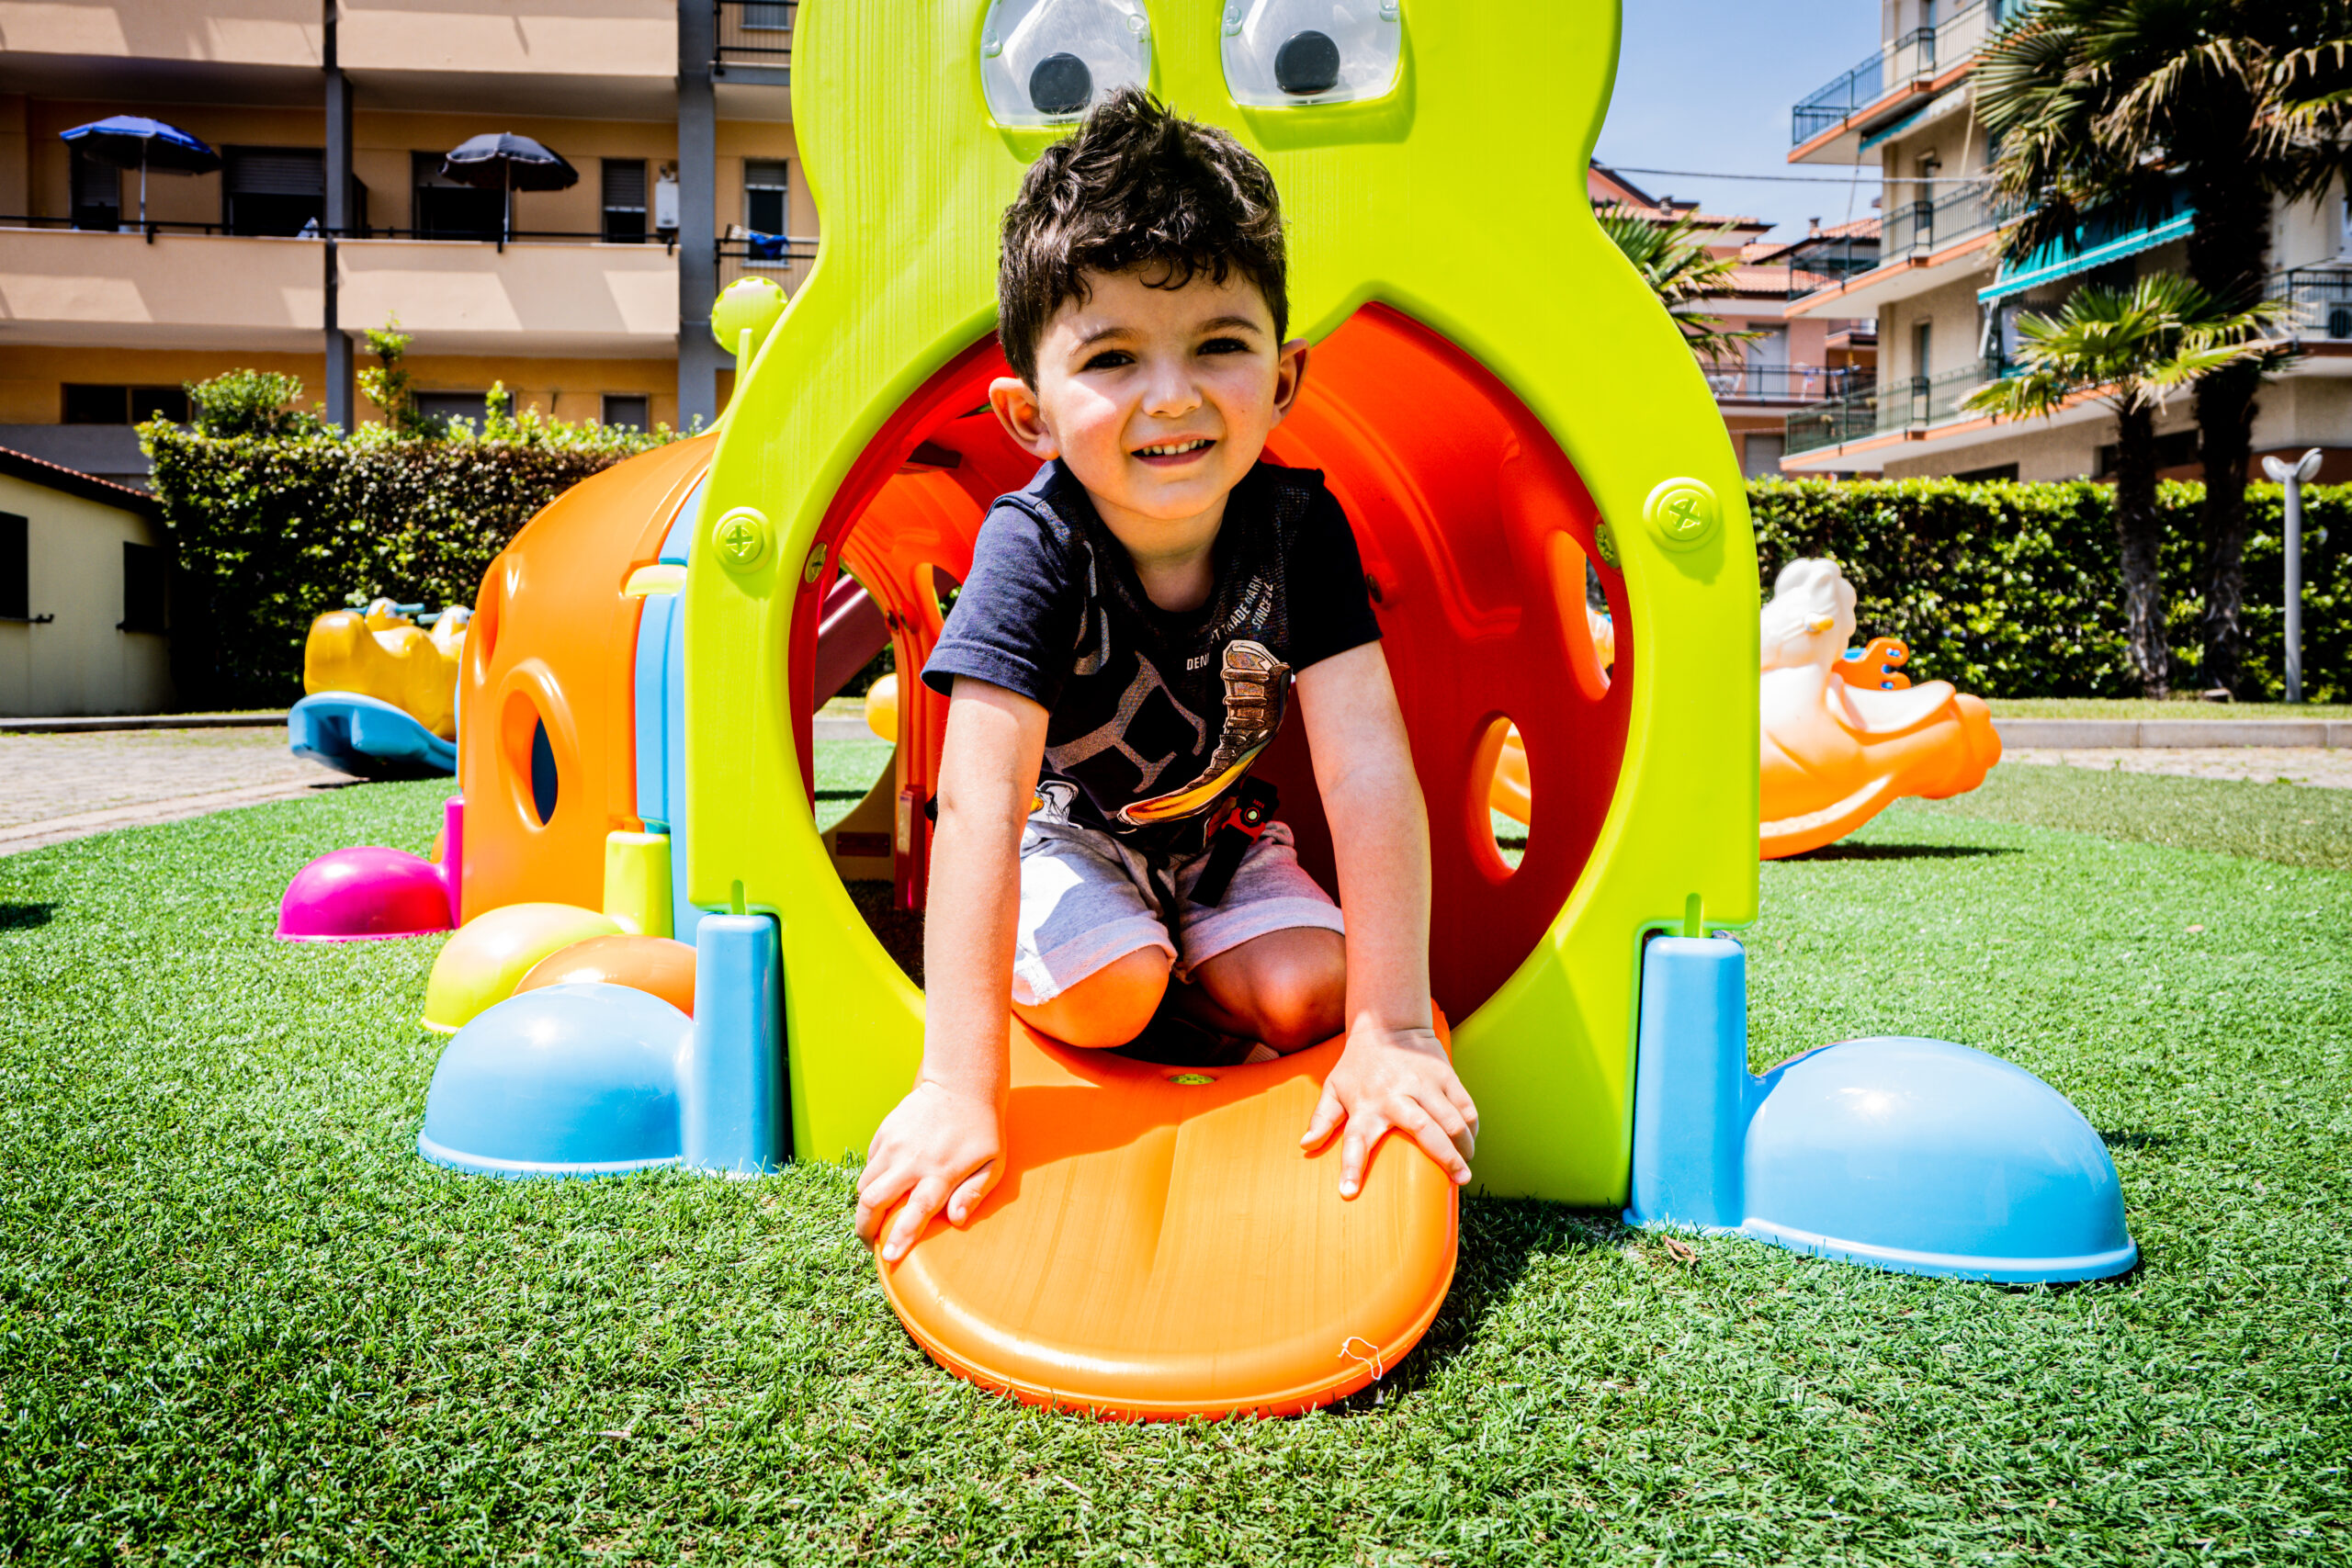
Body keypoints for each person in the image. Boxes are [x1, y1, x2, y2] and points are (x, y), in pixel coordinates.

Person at [853, 88, 1476, 1264]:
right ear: (1028, 413)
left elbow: (1367, 769)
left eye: (1218, 347)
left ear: (1285, 381)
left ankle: (1200, 959)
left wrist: (1392, 1025)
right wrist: (958, 1084)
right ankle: (1152, 966)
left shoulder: (1302, 532)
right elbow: (980, 806)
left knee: (1310, 991)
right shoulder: (1031, 546)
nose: (1173, 394)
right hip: (1071, 837)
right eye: (1113, 357)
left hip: (1223, 836)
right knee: (1107, 993)